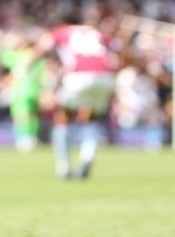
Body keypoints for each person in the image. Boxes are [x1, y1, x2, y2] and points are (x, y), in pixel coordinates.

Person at [31, 14, 118, 180]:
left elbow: (43, 45)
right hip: (105, 77)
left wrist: (26, 65)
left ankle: (63, 167)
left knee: (62, 118)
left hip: (79, 76)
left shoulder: (62, 31)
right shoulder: (96, 32)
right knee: (91, 119)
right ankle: (87, 159)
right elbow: (117, 47)